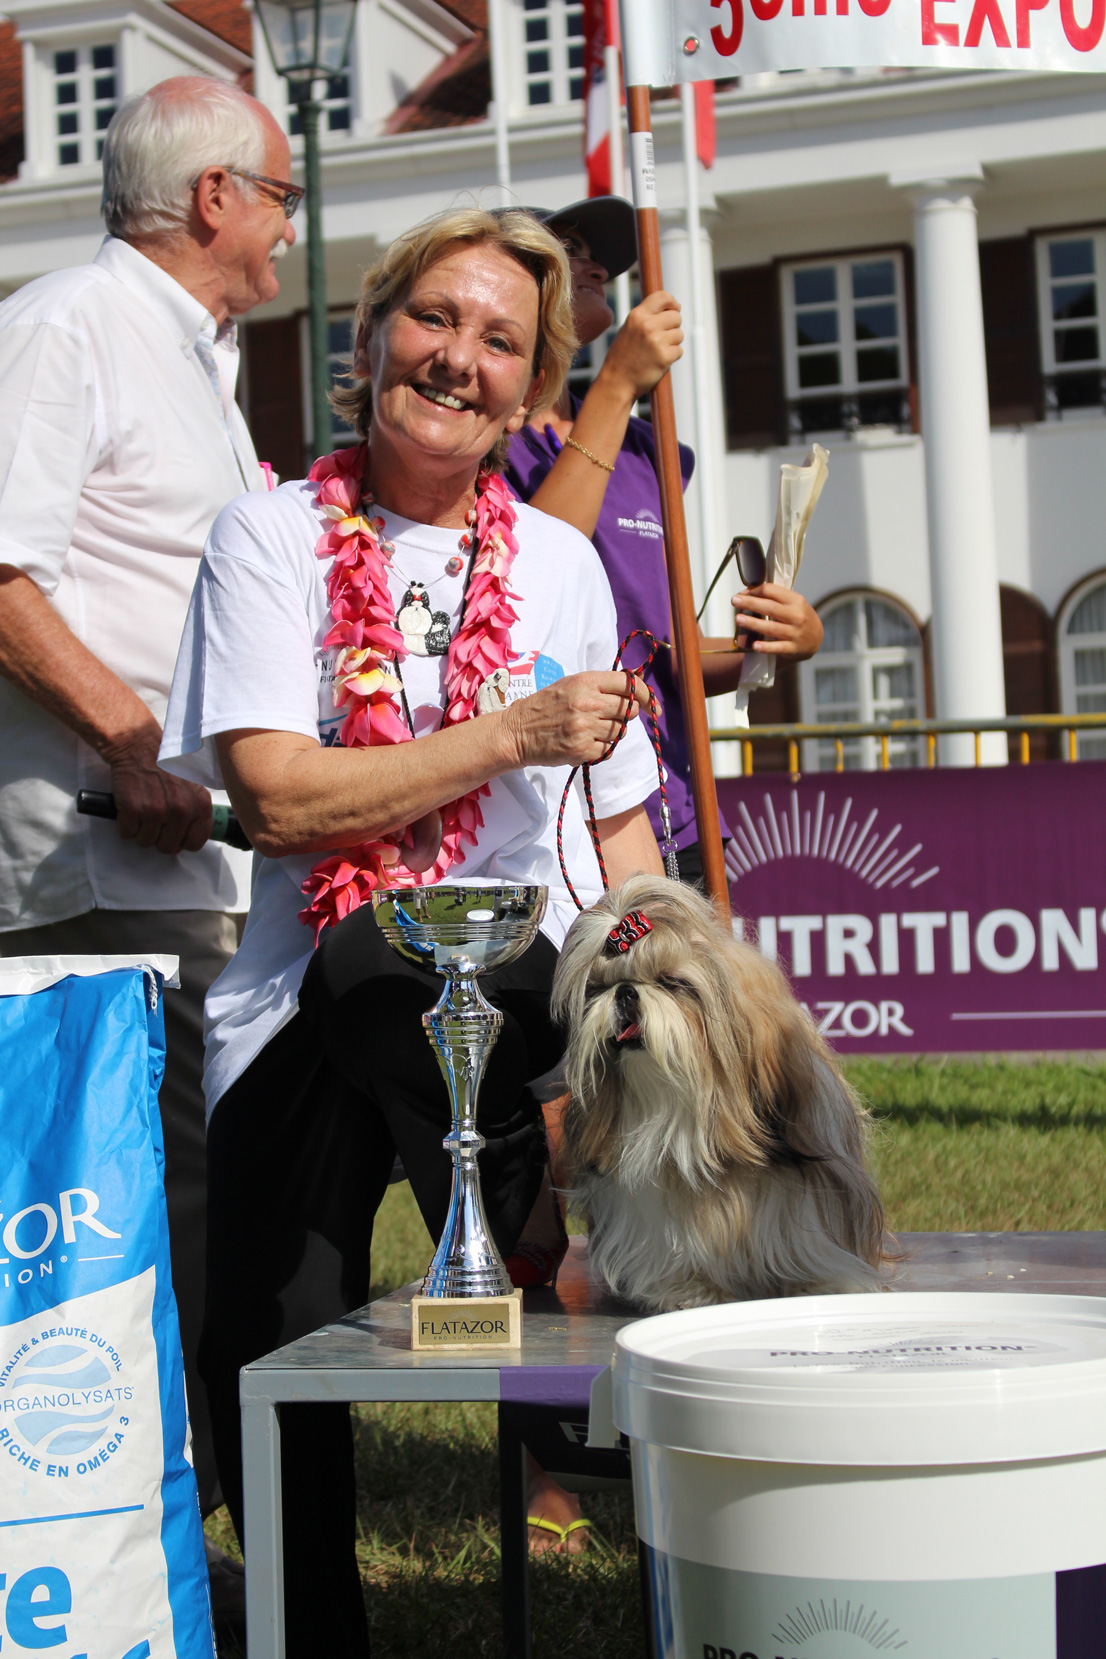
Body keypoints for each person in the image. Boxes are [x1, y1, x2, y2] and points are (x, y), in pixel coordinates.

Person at [158, 205, 663, 1656]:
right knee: (267, 1324)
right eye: (434, 318)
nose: (458, 358)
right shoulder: (269, 535)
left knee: (445, 963)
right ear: (372, 331)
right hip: (303, 991)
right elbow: (278, 794)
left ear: (534, 389)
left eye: (500, 340)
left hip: (530, 1001)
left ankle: (523, 1234)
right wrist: (500, 731)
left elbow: (618, 832)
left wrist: (702, 994)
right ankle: (518, 1234)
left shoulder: (557, 566)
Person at [0, 76, 298, 1551]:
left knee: (197, 1207)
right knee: (140, 1221)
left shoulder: (200, 359)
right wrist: (128, 741)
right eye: (285, 196)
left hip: (195, 863)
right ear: (214, 199)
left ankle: (178, 1532)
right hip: (90, 861)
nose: (293, 230)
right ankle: (140, 1549)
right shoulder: (69, 322)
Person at [504, 196, 825, 887]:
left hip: (674, 806)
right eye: (566, 244)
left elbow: (661, 654)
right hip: (558, 821)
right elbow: (540, 571)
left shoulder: (647, 450)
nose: (595, 264)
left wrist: (774, 644)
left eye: (597, 252)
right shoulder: (485, 449)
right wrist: (618, 380)